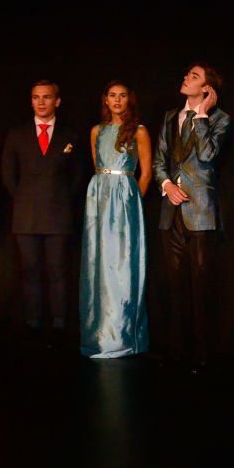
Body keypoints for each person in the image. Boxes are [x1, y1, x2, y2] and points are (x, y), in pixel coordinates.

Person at [153, 62, 230, 373]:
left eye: (194, 77)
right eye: (186, 74)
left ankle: (202, 353)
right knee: (175, 284)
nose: (186, 78)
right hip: (171, 212)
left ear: (207, 89)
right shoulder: (170, 117)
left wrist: (201, 116)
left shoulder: (219, 119)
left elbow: (208, 155)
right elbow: (160, 160)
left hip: (201, 213)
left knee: (201, 285)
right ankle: (176, 349)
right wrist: (167, 184)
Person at [1, 80, 86, 338]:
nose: (41, 102)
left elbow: (78, 177)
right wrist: (25, 199)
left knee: (58, 270)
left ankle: (60, 321)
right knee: (30, 271)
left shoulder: (70, 135)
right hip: (25, 216)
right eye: (36, 97)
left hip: (58, 215)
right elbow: (7, 175)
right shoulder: (17, 134)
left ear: (56, 101)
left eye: (46, 97)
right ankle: (33, 321)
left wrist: (58, 199)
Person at [79, 80, 152, 358]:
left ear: (129, 100)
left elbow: (145, 173)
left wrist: (132, 201)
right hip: (99, 198)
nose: (117, 100)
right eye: (112, 96)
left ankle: (123, 334)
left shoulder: (139, 131)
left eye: (122, 96)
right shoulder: (97, 131)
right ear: (105, 100)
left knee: (122, 263)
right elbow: (98, 166)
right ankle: (98, 331)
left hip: (125, 198)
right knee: (98, 262)